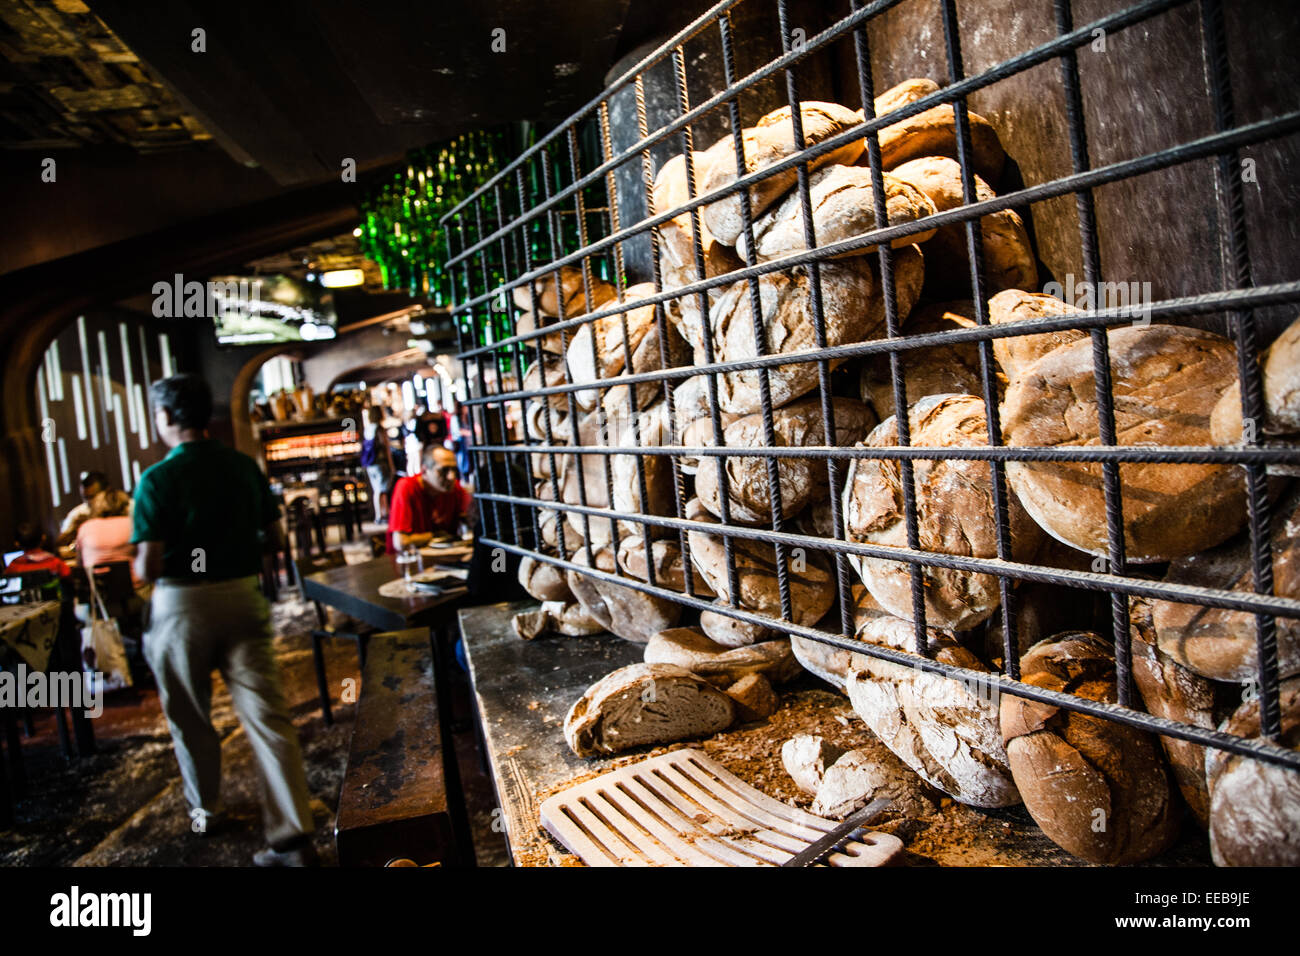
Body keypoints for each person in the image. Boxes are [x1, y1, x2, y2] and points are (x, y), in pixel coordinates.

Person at [131, 373, 317, 866]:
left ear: (167, 417)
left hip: (183, 606)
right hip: (242, 597)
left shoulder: (156, 480)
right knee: (268, 716)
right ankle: (293, 838)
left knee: (190, 715)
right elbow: (276, 544)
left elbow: (147, 566)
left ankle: (206, 811)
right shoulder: (242, 467)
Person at [387, 445, 474, 553]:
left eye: (454, 470)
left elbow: (473, 521)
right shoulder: (407, 487)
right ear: (424, 471)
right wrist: (435, 535)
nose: (451, 476)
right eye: (444, 470)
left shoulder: (454, 489)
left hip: (444, 560)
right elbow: (401, 542)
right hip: (408, 562)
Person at [75, 488, 137, 582]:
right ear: (125, 506)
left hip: (98, 590)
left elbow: (79, 563)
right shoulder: (132, 524)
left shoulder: (85, 528)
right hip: (135, 589)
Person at [57, 471, 127, 548]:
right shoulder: (77, 514)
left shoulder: (125, 506)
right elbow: (60, 544)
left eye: (92, 497)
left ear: (107, 492)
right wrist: (73, 532)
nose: (89, 502)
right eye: (85, 498)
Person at [359, 405, 395, 524]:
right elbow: (386, 448)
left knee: (377, 490)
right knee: (382, 489)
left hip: (370, 464)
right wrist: (391, 465)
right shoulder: (379, 429)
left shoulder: (367, 429)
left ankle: (381, 514)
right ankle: (383, 514)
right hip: (380, 463)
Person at [5, 522, 71, 579]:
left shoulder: (13, 566)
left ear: (17, 544)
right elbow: (68, 577)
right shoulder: (55, 562)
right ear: (43, 538)